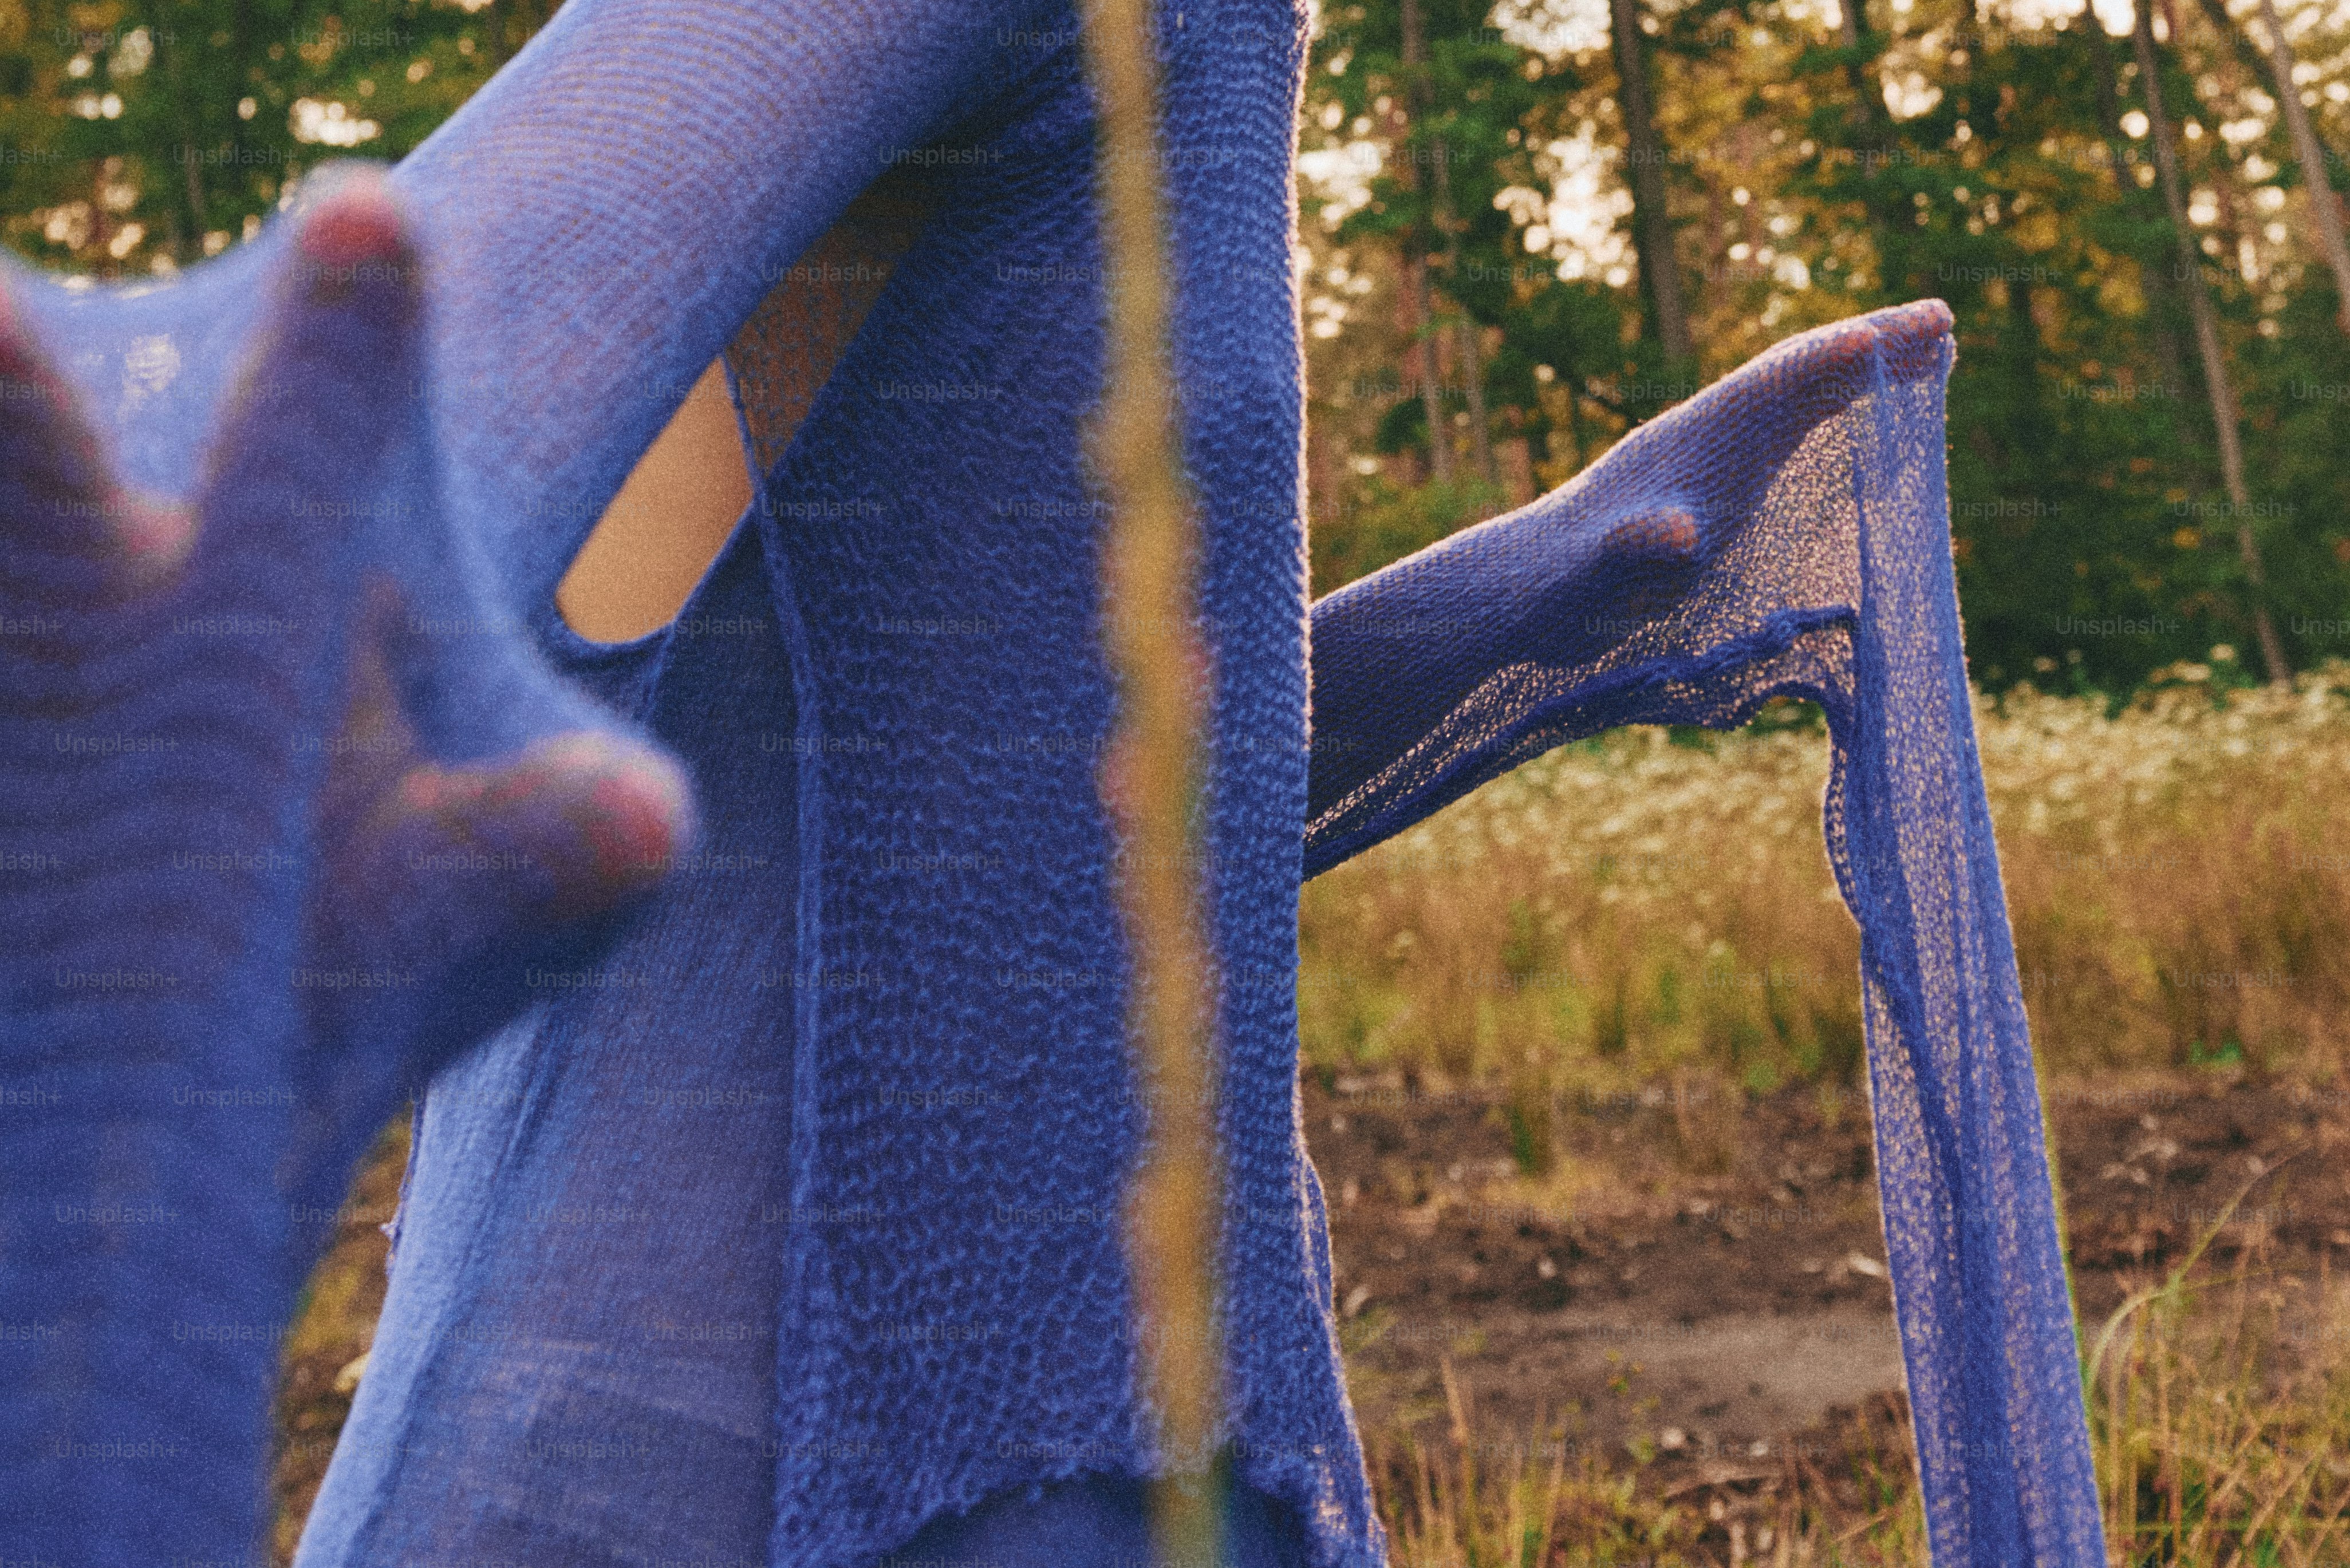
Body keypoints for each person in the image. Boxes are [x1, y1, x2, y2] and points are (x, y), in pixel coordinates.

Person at [0, 0, 2103, 1561]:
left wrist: (1552, 590)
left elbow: (974, 835)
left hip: (936, 1433)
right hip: (782, 1465)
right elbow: (291, 501)